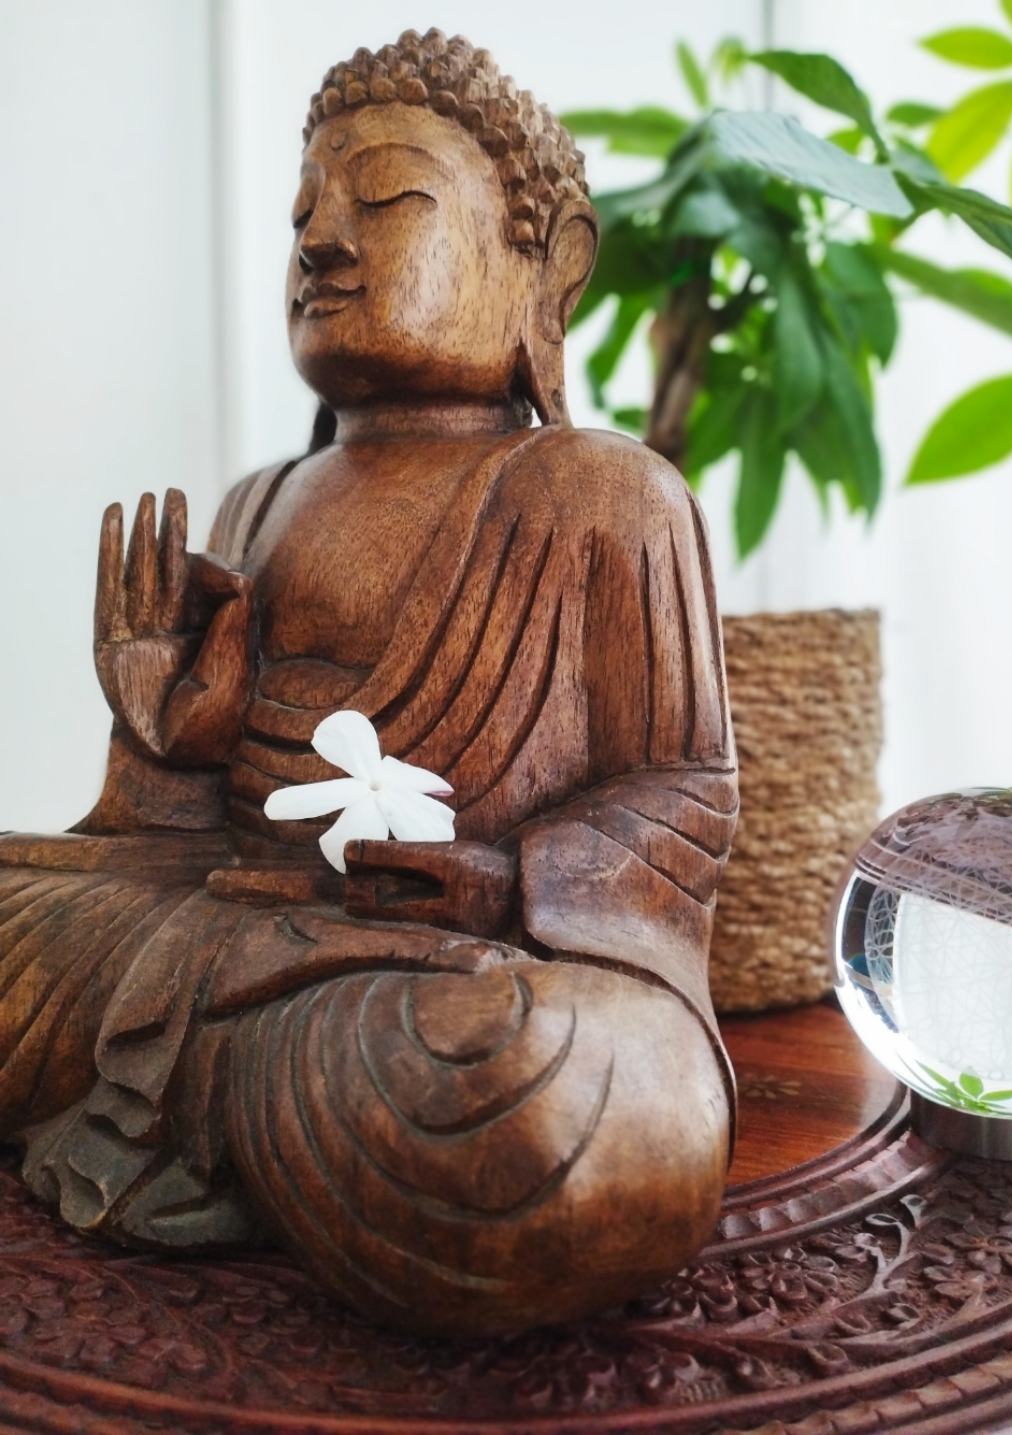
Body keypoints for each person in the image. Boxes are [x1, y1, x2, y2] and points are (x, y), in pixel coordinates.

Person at [0, 29, 739, 1335]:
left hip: (445, 973)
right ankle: (239, 1113)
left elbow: (685, 790)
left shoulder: (608, 494)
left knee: (529, 1095)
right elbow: (178, 846)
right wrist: (170, 739)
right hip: (226, 930)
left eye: (387, 199)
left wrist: (513, 880)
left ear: (547, 263)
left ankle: (203, 1103)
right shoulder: (260, 497)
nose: (323, 242)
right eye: (303, 215)